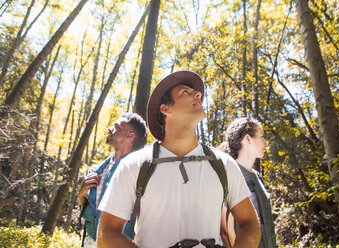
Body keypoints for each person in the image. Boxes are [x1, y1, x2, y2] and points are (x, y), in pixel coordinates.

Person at [97, 70, 261, 248]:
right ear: (165, 109)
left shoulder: (224, 164)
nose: (198, 94)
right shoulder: (133, 165)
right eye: (185, 92)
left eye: (196, 92)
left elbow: (250, 224)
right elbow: (106, 234)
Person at [78, 112, 146, 247]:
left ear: (130, 135)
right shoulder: (97, 170)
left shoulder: (140, 171)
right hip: (90, 242)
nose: (110, 128)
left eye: (117, 127)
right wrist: (81, 194)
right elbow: (87, 208)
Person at [220, 117, 276, 248]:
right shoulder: (229, 174)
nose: (266, 143)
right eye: (261, 136)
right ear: (248, 139)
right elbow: (227, 232)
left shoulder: (257, 176)